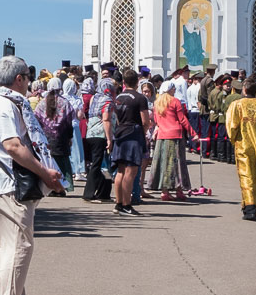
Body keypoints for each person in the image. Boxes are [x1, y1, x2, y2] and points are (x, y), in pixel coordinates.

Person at [0, 56, 62, 295]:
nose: (29, 82)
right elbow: (13, 146)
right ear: (19, 79)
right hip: (11, 185)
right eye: (27, 77)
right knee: (18, 248)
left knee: (2, 249)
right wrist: (43, 172)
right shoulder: (5, 106)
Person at [225, 79, 256, 220]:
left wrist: (233, 139)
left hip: (243, 145)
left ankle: (250, 208)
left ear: (245, 90)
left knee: (246, 175)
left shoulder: (237, 105)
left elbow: (232, 126)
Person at [106, 71, 149, 216]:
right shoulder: (140, 98)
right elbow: (145, 121)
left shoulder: (118, 97)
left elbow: (115, 117)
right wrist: (144, 133)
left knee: (120, 170)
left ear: (124, 82)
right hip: (133, 134)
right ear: (137, 81)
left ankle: (118, 203)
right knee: (131, 171)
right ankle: (126, 204)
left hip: (120, 133)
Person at [150, 80, 193, 201]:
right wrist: (193, 133)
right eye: (173, 88)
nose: (174, 90)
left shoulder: (157, 102)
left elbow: (156, 120)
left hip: (162, 136)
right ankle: (179, 190)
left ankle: (164, 191)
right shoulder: (175, 101)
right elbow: (182, 119)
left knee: (164, 164)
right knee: (177, 164)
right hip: (175, 136)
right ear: (169, 89)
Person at [82, 77, 114, 203]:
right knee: (98, 164)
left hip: (91, 133)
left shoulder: (94, 98)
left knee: (103, 165)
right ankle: (88, 193)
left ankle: (104, 192)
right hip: (101, 134)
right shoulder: (108, 100)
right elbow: (106, 119)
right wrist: (109, 138)